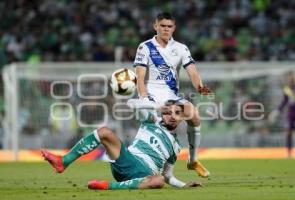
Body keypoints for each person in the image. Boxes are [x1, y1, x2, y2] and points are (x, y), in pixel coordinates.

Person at [41, 99, 202, 190]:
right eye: (168, 112)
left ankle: (107, 186)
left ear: (182, 119)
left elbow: (168, 176)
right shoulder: (151, 121)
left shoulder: (176, 147)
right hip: (127, 159)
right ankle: (63, 162)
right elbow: (132, 103)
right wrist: (157, 107)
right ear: (163, 113)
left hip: (145, 175)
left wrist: (184, 185)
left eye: (177, 113)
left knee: (158, 181)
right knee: (104, 132)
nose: (172, 116)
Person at [133, 12, 211, 177]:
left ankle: (192, 160)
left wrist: (199, 86)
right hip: (151, 95)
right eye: (162, 26)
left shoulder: (181, 48)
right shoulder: (145, 46)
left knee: (193, 114)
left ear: (174, 28)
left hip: (172, 97)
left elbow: (192, 71)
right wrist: (143, 98)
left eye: (169, 26)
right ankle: (147, 163)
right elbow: (139, 76)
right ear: (156, 26)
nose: (166, 29)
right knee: (157, 128)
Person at [268, 71, 295, 158]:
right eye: (288, 77)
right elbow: (284, 102)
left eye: (291, 76)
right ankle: (289, 153)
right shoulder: (286, 89)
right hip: (291, 114)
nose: (289, 78)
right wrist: (276, 111)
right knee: (288, 132)